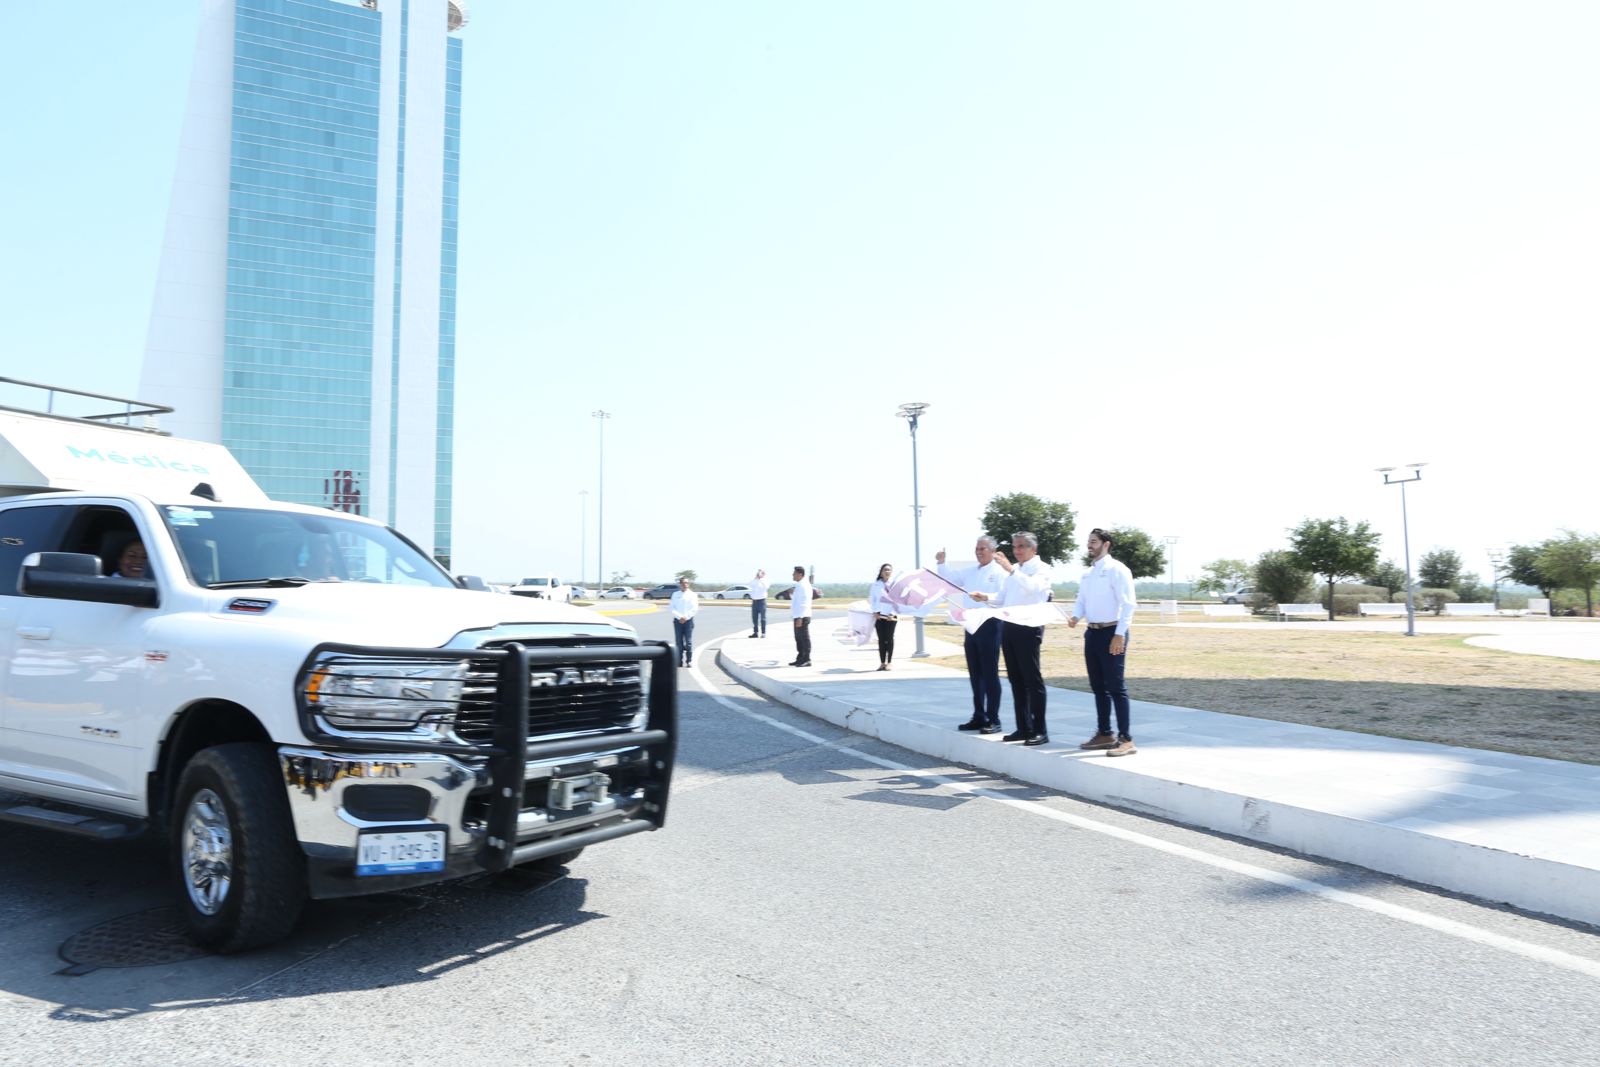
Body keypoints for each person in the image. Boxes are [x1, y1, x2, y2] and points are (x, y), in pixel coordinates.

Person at [971, 531, 1054, 744]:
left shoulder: (1041, 569)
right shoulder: (1015, 569)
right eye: (1015, 546)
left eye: (1021, 546)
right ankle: (1023, 727)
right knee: (1016, 679)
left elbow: (1034, 588)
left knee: (1032, 679)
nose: (1016, 551)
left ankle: (1040, 730)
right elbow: (1003, 598)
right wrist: (985, 597)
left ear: (1033, 548)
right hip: (1010, 626)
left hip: (1029, 627)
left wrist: (1010, 569)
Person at [1069, 528, 1139, 756]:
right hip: (1092, 633)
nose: (1089, 545)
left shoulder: (1118, 570)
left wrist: (1120, 634)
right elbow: (1081, 601)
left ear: (1106, 544)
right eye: (1088, 541)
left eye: (1094, 541)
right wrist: (1075, 616)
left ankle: (1126, 739)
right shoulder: (1088, 574)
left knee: (1116, 687)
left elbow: (1128, 604)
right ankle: (1104, 733)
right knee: (1098, 687)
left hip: (1112, 633)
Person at [936, 537, 1006, 734]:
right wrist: (941, 563)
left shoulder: (999, 572)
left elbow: (1004, 596)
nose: (979, 552)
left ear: (993, 550)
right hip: (971, 625)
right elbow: (949, 579)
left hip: (990, 623)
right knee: (976, 673)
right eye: (977, 548)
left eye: (983, 548)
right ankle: (978, 715)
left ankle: (993, 718)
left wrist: (986, 597)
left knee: (990, 673)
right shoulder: (971, 571)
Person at [868, 562, 898, 671]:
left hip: (891, 616)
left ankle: (889, 662)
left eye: (889, 570)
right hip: (879, 616)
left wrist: (892, 613)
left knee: (889, 638)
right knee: (881, 639)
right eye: (885, 570)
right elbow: (872, 599)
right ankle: (882, 663)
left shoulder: (894, 585)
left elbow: (897, 600)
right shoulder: (876, 585)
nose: (887, 571)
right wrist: (875, 612)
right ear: (881, 572)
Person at [669, 577, 699, 667]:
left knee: (688, 642)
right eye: (683, 583)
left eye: (687, 583)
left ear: (688, 584)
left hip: (688, 621)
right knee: (679, 642)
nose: (685, 585)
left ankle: (689, 661)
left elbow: (694, 608)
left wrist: (686, 617)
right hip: (677, 621)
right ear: (680, 584)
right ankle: (679, 661)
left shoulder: (693, 595)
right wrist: (680, 617)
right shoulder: (675, 594)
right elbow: (672, 608)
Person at [789, 565, 813, 667]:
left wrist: (799, 617)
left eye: (794, 573)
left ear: (800, 574)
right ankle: (800, 658)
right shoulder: (800, 585)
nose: (792, 575)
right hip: (798, 616)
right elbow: (797, 600)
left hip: (802, 616)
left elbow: (803, 603)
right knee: (798, 638)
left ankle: (806, 659)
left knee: (804, 638)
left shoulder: (803, 585)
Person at [749, 568, 769, 638]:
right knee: (754, 618)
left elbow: (766, 587)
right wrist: (756, 578)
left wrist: (761, 579)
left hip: (762, 601)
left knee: (763, 618)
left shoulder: (765, 581)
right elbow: (750, 584)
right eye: (758, 573)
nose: (759, 574)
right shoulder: (754, 581)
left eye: (761, 572)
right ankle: (755, 632)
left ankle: (763, 633)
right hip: (754, 601)